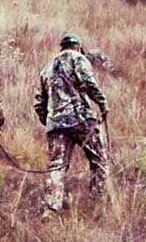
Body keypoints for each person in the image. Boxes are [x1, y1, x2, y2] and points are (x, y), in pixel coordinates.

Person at [34, 33, 109, 213]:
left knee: (56, 167)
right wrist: (102, 103)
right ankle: (97, 204)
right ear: (77, 46)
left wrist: (50, 119)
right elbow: (88, 82)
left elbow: (38, 103)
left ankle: (51, 209)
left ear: (62, 47)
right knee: (99, 159)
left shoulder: (47, 68)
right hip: (81, 119)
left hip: (56, 124)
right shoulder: (78, 58)